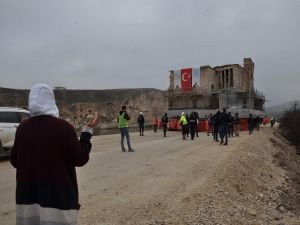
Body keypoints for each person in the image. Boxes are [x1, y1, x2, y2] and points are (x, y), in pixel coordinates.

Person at [10, 83, 98, 225]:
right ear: (51, 100)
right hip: (57, 198)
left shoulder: (23, 128)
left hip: (28, 198)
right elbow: (80, 158)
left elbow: (14, 161)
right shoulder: (64, 127)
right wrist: (87, 132)